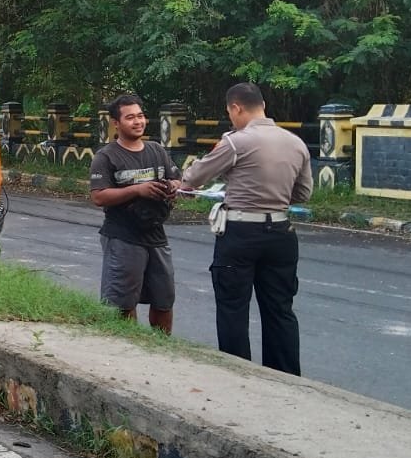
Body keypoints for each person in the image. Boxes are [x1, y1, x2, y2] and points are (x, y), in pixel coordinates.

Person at [177, 82, 313, 375]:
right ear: (263, 105)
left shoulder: (236, 142)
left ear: (236, 108)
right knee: (280, 309)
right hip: (281, 234)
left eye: (231, 113)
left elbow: (194, 177)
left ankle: (239, 375)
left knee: (233, 308)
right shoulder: (295, 143)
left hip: (240, 233)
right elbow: (302, 194)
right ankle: (286, 377)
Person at [89, 93, 180, 334]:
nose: (137, 122)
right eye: (130, 118)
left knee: (164, 299)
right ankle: (130, 348)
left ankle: (162, 349)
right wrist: (138, 190)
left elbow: (176, 179)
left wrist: (173, 188)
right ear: (116, 123)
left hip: (157, 235)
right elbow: (98, 196)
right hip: (122, 236)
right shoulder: (106, 156)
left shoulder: (157, 150)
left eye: (140, 116)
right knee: (123, 302)